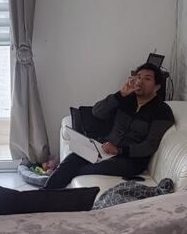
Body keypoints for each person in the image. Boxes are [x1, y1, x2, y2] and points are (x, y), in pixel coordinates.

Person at [44, 63, 174, 189]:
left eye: (147, 78)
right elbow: (97, 112)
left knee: (81, 170)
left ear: (157, 87)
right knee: (72, 159)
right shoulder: (126, 99)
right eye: (138, 77)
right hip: (105, 147)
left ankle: (52, 193)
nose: (140, 81)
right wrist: (120, 94)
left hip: (130, 160)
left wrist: (119, 150)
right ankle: (45, 193)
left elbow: (150, 145)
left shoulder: (162, 111)